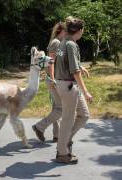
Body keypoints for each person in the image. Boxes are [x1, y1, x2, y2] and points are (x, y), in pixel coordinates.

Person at [54, 17, 92, 164]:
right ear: (79, 31)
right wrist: (86, 91)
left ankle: (65, 141)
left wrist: (80, 67)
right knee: (68, 120)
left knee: (84, 114)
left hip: (66, 85)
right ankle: (62, 153)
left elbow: (66, 63)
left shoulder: (64, 42)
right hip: (68, 86)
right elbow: (75, 72)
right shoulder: (70, 45)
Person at [32, 22, 66, 142]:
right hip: (54, 79)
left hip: (55, 78)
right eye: (66, 30)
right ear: (60, 31)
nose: (68, 33)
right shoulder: (56, 42)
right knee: (60, 108)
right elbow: (51, 62)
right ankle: (39, 127)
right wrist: (52, 79)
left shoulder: (59, 42)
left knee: (56, 107)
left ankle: (57, 135)